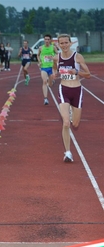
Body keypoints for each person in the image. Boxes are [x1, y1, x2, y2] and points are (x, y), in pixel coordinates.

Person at [51, 34, 90, 162]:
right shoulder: (57, 57)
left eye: (66, 43)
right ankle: (68, 152)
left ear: (70, 43)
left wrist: (77, 72)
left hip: (77, 90)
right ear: (58, 44)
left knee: (75, 124)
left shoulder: (77, 57)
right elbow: (54, 68)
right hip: (64, 90)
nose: (64, 45)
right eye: (61, 43)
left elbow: (88, 74)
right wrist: (54, 74)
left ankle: (72, 116)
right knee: (66, 123)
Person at [37, 34, 58, 105]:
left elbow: (57, 55)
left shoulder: (53, 47)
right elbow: (38, 55)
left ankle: (51, 81)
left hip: (51, 68)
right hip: (44, 67)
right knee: (44, 81)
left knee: (50, 84)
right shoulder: (41, 48)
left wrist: (54, 58)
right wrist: (39, 61)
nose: (47, 41)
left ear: (50, 40)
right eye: (45, 39)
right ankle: (45, 99)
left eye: (48, 39)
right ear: (44, 40)